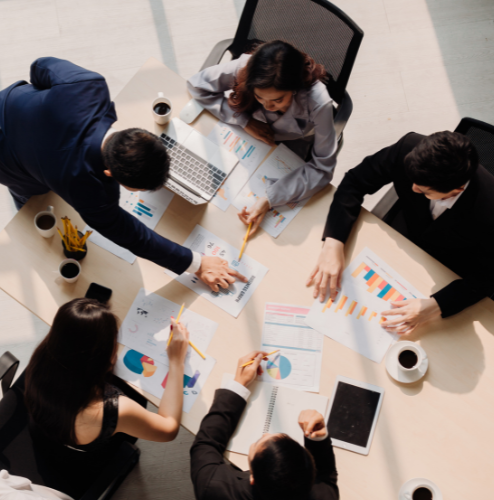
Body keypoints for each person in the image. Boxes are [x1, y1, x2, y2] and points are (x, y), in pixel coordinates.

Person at [0, 56, 245, 291]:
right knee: (31, 198)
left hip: (11, 107)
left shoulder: (89, 87)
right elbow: (134, 237)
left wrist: (43, 103)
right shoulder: (88, 191)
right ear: (109, 174)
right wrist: (197, 263)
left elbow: (41, 66)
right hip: (2, 152)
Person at [308, 131, 494, 335]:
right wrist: (334, 241)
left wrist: (437, 305)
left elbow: (487, 276)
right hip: (401, 238)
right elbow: (355, 181)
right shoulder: (409, 147)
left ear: (457, 189)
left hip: (447, 267)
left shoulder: (489, 210)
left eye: (424, 191)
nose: (413, 188)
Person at [22, 298, 190, 499]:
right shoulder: (110, 411)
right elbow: (168, 429)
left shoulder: (44, 355)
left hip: (47, 428)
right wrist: (176, 362)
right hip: (81, 463)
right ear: (103, 357)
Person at [188, 40, 338, 236]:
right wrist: (244, 122)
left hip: (292, 141)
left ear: (294, 88)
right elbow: (196, 84)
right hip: (251, 138)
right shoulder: (245, 68)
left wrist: (270, 198)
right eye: (260, 97)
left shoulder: (318, 102)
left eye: (277, 100)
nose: (268, 106)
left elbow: (322, 169)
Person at [190, 351, 339, 500]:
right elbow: (326, 476)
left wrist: (238, 384)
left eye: (257, 444)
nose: (265, 434)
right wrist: (318, 440)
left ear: (253, 478)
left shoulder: (212, 488)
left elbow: (205, 445)